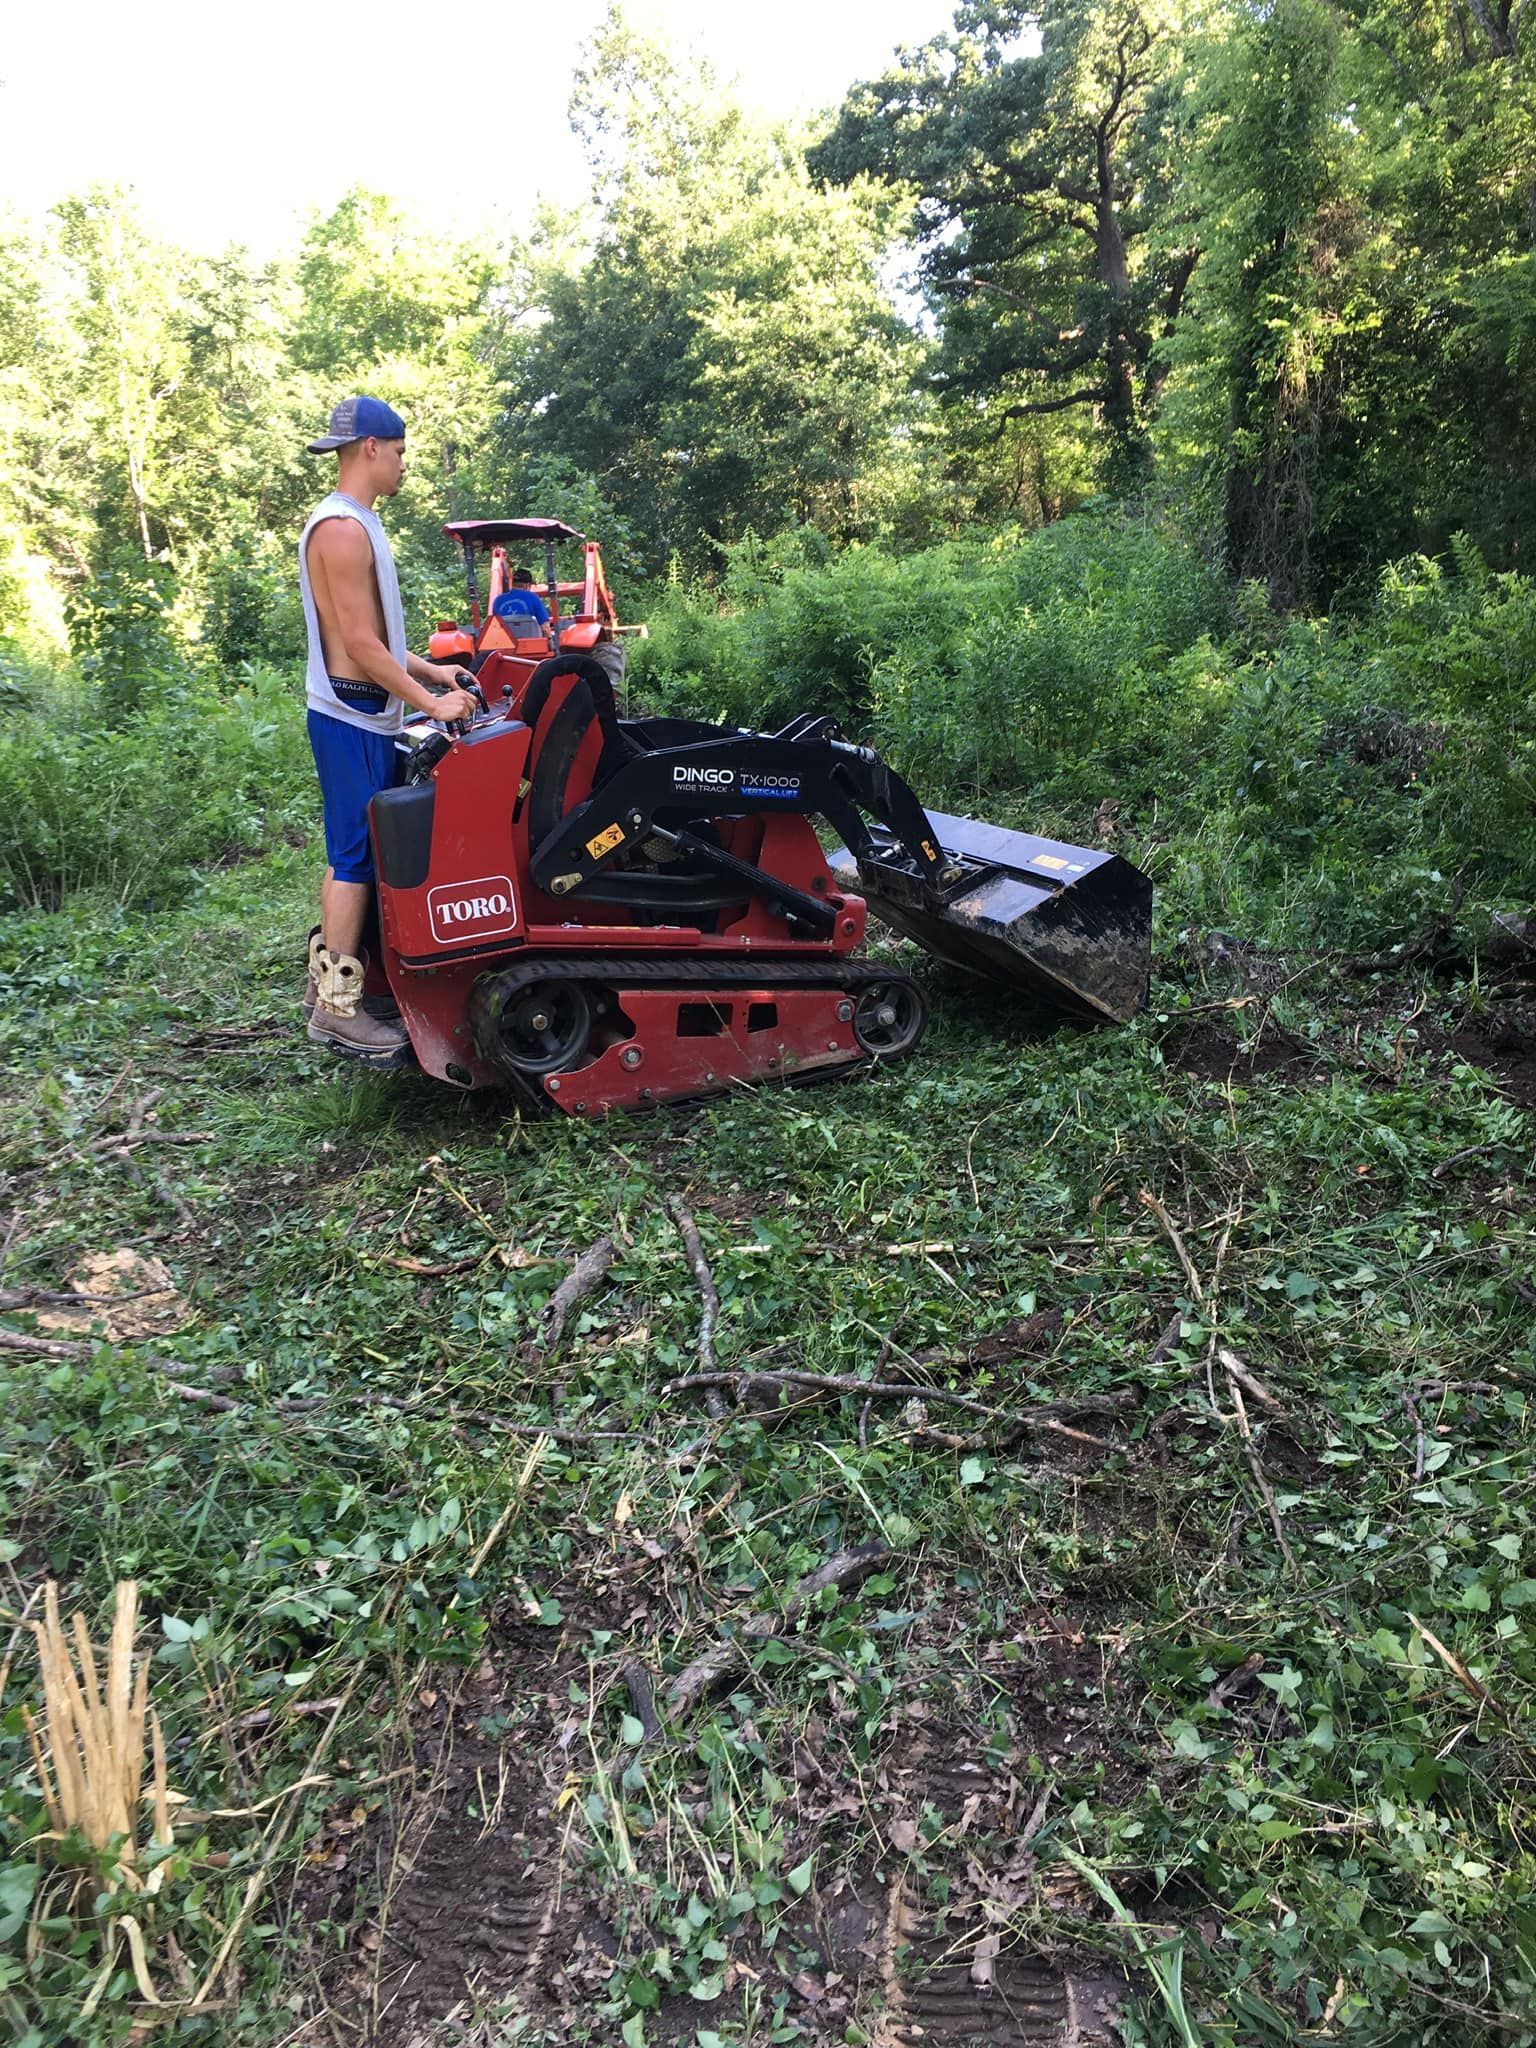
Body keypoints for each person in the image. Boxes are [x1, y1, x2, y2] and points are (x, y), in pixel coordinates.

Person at [298, 396, 478, 1065]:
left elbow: (381, 641)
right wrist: (432, 708)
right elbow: (359, 647)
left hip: (363, 710)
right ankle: (337, 1011)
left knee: (355, 851)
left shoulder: (358, 522)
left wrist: (435, 672)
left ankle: (332, 986)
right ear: (371, 447)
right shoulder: (342, 530)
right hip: (349, 715)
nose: (404, 465)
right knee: (353, 859)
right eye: (400, 453)